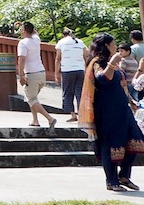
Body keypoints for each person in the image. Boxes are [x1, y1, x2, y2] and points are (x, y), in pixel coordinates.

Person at [79, 33, 144, 191]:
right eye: (113, 44)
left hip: (123, 109)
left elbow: (120, 85)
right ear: (106, 46)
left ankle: (124, 175)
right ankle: (111, 180)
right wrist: (112, 64)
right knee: (110, 144)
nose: (116, 46)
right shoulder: (97, 62)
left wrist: (130, 100)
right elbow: (103, 79)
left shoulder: (112, 62)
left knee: (137, 140)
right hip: (107, 110)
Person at [17, 21, 56, 128]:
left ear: (24, 31)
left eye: (21, 30)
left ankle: (50, 119)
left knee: (31, 99)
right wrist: (25, 25)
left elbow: (21, 59)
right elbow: (35, 32)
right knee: (33, 98)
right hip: (41, 73)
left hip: (31, 74)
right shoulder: (36, 40)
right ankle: (35, 120)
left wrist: (21, 75)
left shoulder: (23, 43)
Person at [55, 27, 86, 121]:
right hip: (80, 70)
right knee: (79, 92)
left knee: (68, 92)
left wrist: (56, 73)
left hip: (67, 70)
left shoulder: (61, 42)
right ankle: (82, 115)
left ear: (63, 35)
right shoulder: (80, 42)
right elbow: (85, 55)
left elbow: (58, 59)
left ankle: (73, 115)